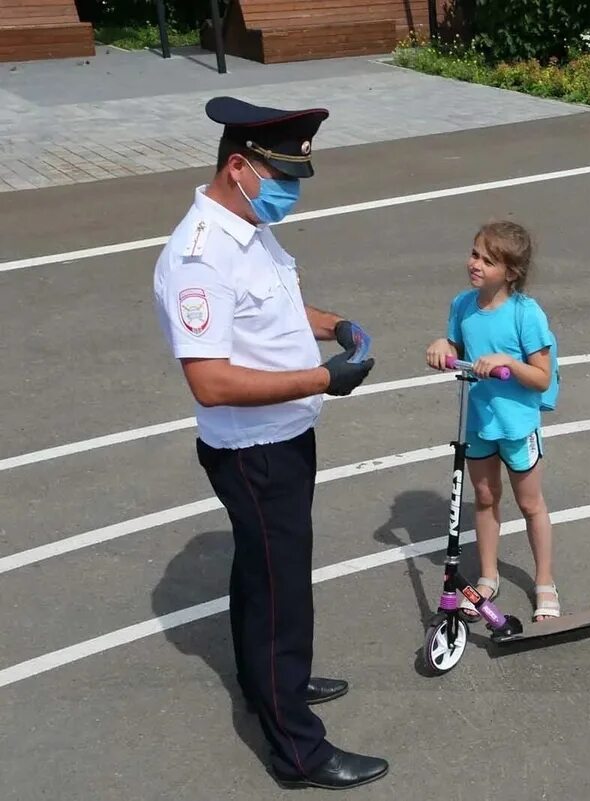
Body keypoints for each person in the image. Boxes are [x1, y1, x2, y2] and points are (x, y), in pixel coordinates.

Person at [151, 96, 387, 790]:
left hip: (282, 436)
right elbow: (211, 380)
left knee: (262, 574)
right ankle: (298, 750)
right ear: (237, 167)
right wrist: (325, 377)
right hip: (253, 450)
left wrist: (333, 324)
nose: (287, 190)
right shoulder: (200, 255)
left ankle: (272, 686)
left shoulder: (246, 228)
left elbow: (272, 305)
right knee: (283, 591)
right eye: (279, 175)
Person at [425, 220, 560, 622]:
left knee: (530, 503)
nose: (475, 264)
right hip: (478, 420)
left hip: (516, 425)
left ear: (511, 272)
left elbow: (541, 376)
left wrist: (507, 362)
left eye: (487, 260)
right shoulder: (462, 305)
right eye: (474, 254)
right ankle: (487, 577)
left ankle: (545, 582)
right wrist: (442, 344)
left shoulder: (525, 314)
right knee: (484, 499)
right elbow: (455, 343)